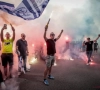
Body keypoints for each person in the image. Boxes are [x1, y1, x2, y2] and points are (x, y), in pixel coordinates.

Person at [43, 20, 63, 85]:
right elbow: (44, 36)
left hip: (53, 55)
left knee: (51, 66)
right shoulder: (48, 40)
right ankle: (44, 79)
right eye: (51, 35)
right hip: (49, 56)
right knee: (47, 67)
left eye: (53, 35)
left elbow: (58, 37)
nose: (53, 36)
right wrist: (45, 30)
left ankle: (49, 75)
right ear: (50, 35)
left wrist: (61, 32)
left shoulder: (54, 40)